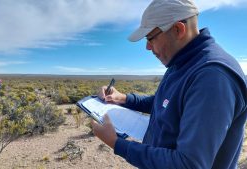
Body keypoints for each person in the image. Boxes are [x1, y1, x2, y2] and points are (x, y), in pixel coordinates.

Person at [91, 0, 247, 168]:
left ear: (178, 29)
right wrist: (122, 98)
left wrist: (117, 143)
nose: (147, 47)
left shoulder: (213, 78)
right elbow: (164, 103)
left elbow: (188, 164)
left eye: (151, 37)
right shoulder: (180, 61)